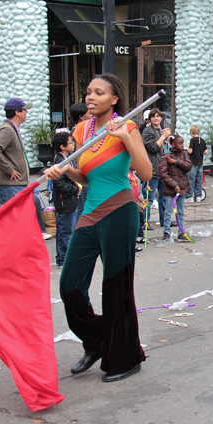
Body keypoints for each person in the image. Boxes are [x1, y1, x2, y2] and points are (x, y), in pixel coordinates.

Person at [42, 73, 151, 383]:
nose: (90, 97)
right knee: (70, 287)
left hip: (120, 211)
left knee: (116, 290)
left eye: (98, 93)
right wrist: (64, 170)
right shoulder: (82, 129)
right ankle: (99, 340)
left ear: (114, 99)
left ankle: (126, 357)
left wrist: (126, 137)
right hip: (89, 214)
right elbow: (88, 177)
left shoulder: (126, 126)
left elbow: (145, 172)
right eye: (88, 91)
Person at [0, 98, 51, 240]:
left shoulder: (12, 129)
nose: (26, 112)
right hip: (11, 184)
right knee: (16, 223)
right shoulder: (7, 129)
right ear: (17, 112)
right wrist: (9, 169)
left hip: (17, 184)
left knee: (22, 221)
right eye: (24, 110)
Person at [51, 132, 79, 268]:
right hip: (64, 201)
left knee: (67, 229)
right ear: (62, 146)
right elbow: (59, 183)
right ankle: (63, 259)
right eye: (70, 143)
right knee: (65, 230)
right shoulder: (60, 162)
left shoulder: (67, 159)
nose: (73, 144)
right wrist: (74, 189)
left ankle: (64, 257)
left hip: (69, 200)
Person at [159, 134, 192, 241]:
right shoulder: (166, 157)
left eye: (183, 143)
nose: (182, 145)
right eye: (180, 143)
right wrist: (174, 185)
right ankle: (166, 232)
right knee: (168, 211)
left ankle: (181, 232)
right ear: (173, 144)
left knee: (181, 212)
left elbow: (188, 166)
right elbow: (164, 174)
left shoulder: (184, 154)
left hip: (182, 187)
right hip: (171, 189)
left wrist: (177, 162)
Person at [141, 108, 170, 228]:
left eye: (158, 116)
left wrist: (169, 138)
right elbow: (152, 147)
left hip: (163, 169)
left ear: (161, 118)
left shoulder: (162, 130)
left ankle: (164, 220)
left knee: (163, 197)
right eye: (154, 117)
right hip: (152, 169)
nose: (156, 119)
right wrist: (163, 137)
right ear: (150, 119)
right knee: (148, 197)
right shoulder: (148, 131)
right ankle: (144, 223)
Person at [186, 125, 207, 203]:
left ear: (192, 132)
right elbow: (206, 151)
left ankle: (189, 196)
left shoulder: (192, 140)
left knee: (191, 179)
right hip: (200, 163)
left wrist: (188, 146)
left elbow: (190, 151)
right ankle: (198, 196)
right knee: (199, 180)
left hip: (193, 163)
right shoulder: (202, 140)